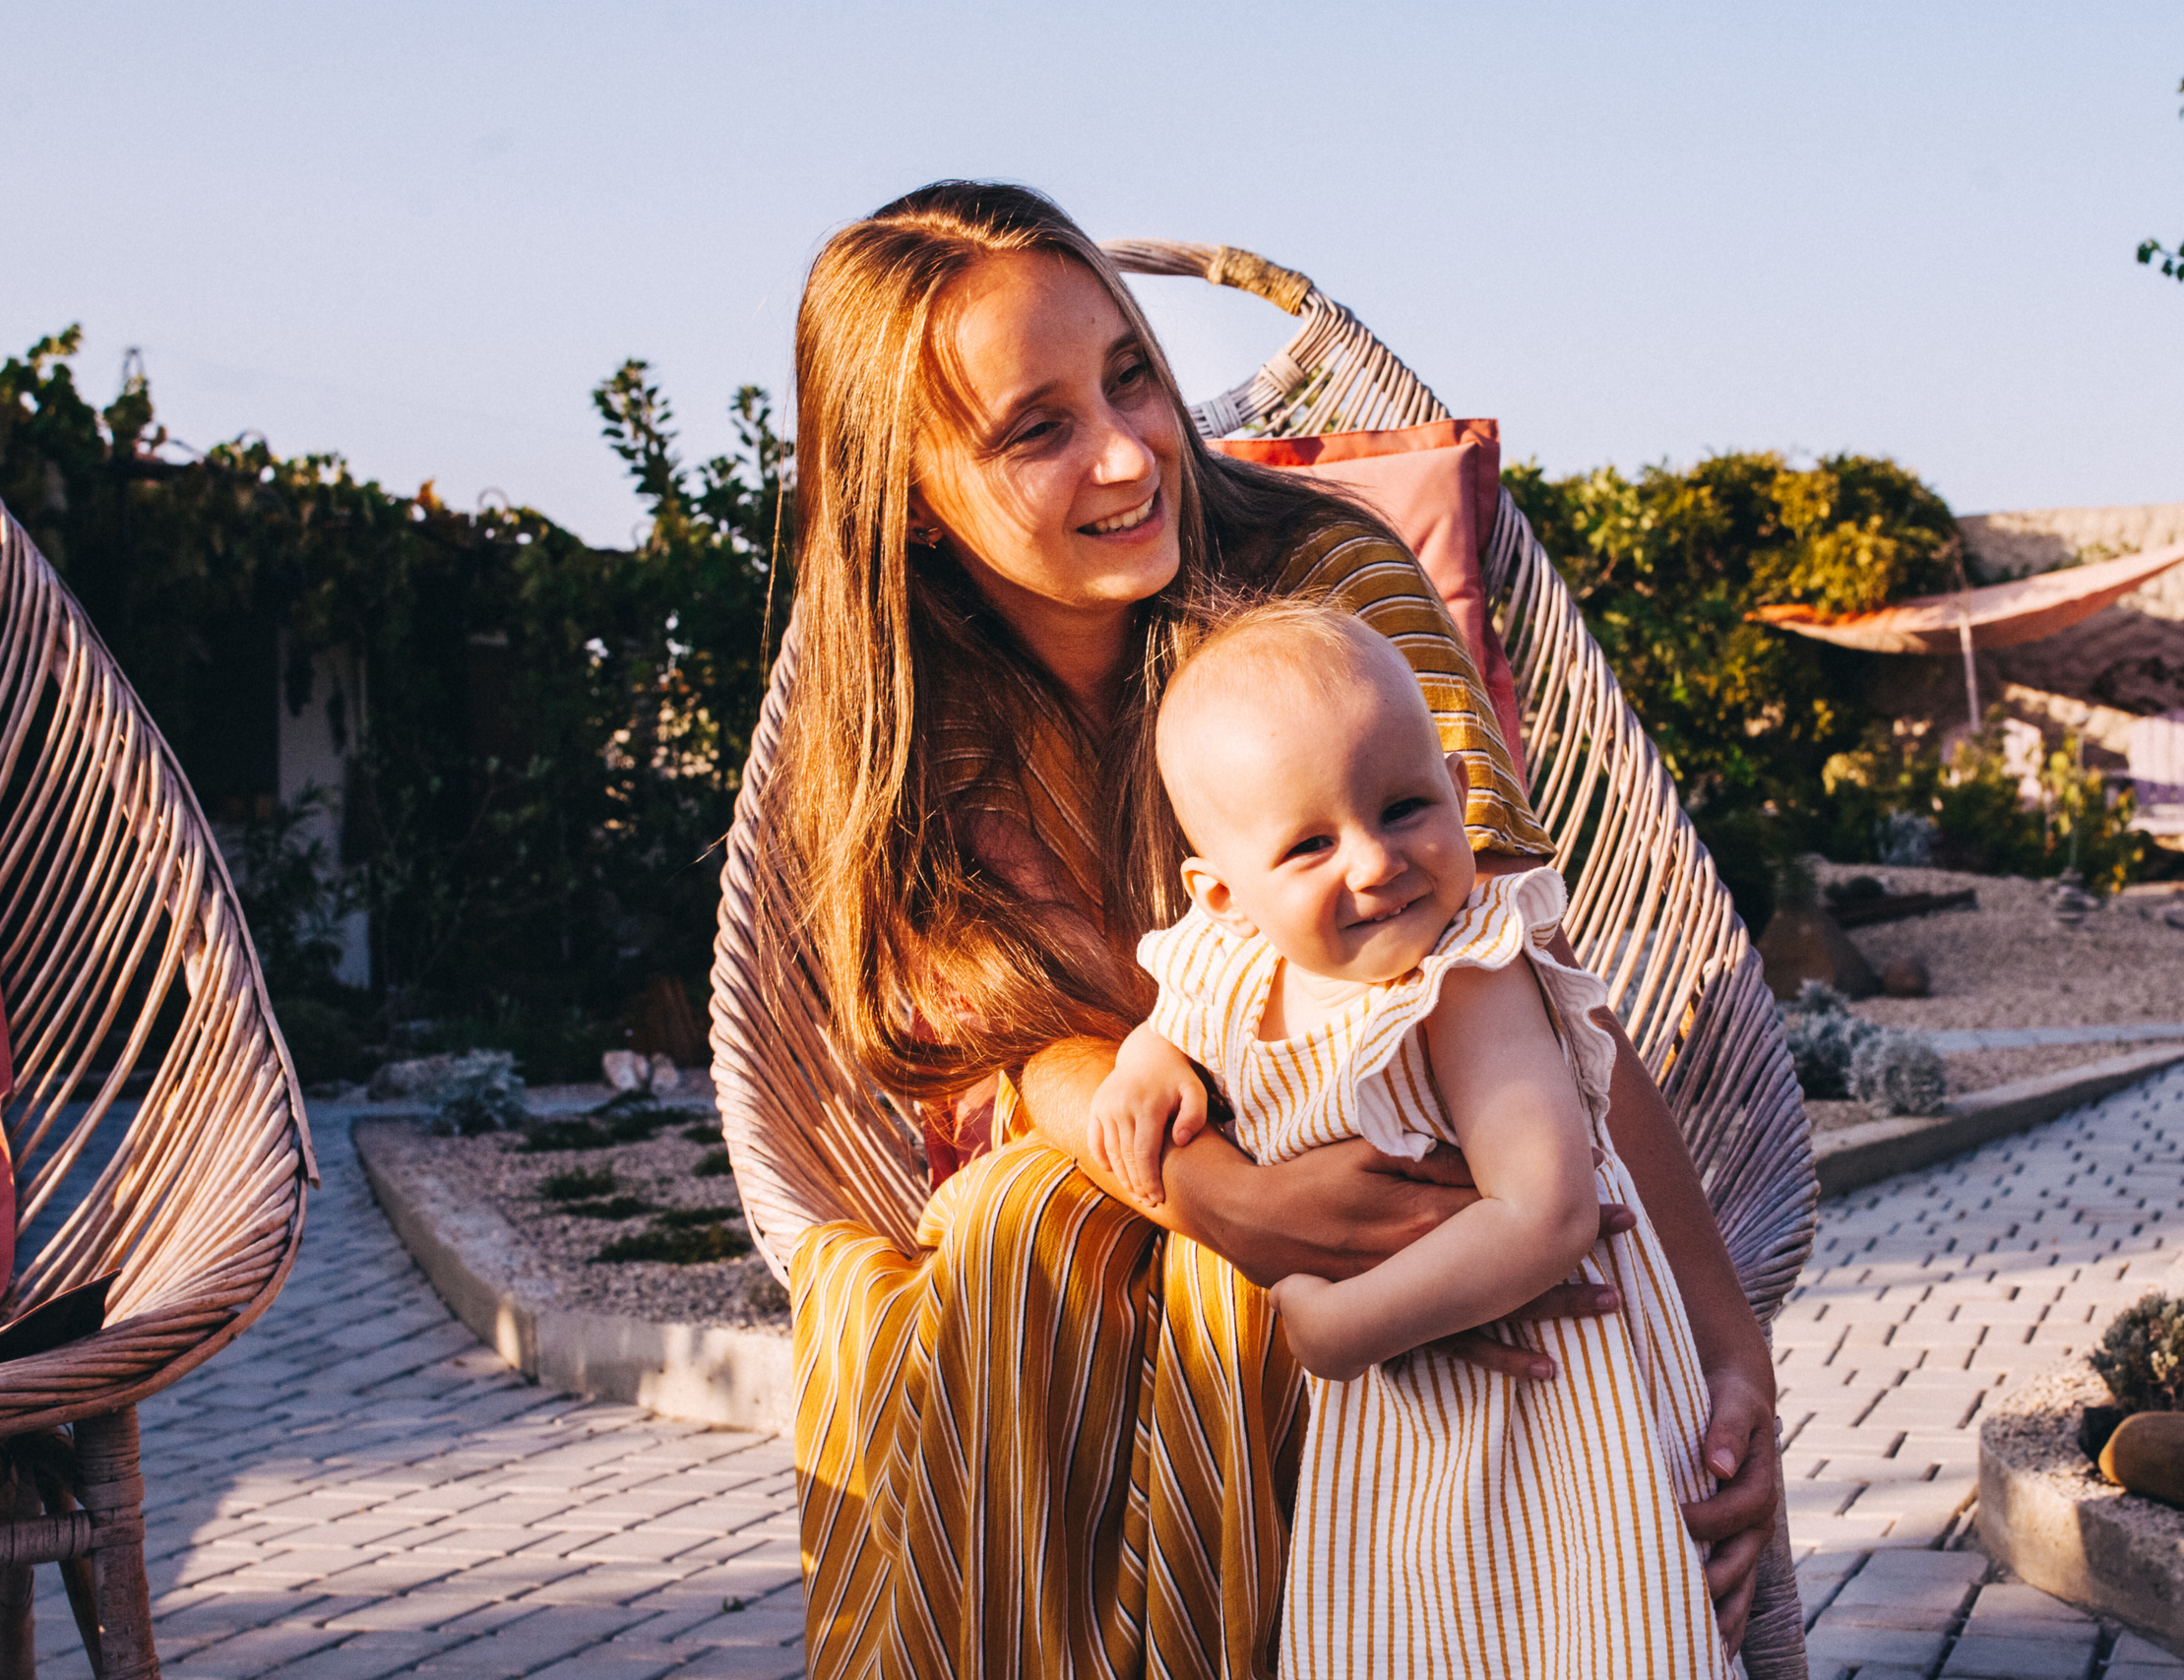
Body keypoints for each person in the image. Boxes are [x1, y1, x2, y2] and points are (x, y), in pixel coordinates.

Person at [760, 179, 1781, 1679]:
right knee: (1018, 1230)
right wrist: (1217, 1194)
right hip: (1140, 1180)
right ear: (906, 490)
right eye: (1037, 429)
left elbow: (1509, 962)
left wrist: (1730, 1342)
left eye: (1131, 374)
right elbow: (1010, 1041)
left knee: (1129, 1260)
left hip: (1435, 1146)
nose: (1131, 451)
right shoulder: (907, 713)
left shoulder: (1323, 590)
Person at [1092, 598, 1738, 1678]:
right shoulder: (1231, 961)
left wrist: (1339, 1328)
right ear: (1224, 894)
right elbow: (1180, 1014)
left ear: (1455, 783)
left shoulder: (1467, 974)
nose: (1374, 862)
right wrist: (1146, 1059)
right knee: (1412, 1626)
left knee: (1580, 1629)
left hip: (1556, 1399)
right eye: (1309, 844)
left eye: (1403, 807)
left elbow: (1546, 1210)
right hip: (1408, 1414)